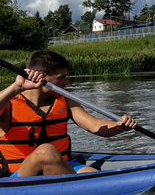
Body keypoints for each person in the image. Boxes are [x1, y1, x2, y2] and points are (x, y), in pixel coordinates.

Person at [0, 50, 137, 178]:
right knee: (45, 152)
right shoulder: (9, 103)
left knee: (92, 173)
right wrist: (16, 87)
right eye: (62, 77)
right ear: (40, 76)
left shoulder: (65, 100)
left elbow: (95, 126)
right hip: (19, 175)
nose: (67, 83)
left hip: (65, 165)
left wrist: (119, 126)